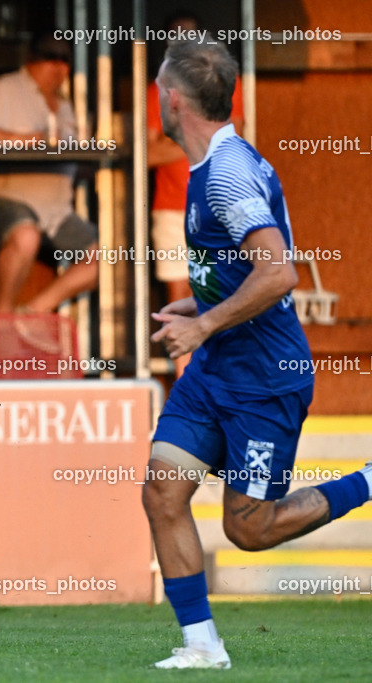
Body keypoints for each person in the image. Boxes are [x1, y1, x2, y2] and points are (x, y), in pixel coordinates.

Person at [145, 39, 372, 669]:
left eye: (156, 89)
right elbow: (245, 269)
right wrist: (203, 305)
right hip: (221, 362)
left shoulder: (226, 174)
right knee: (163, 492)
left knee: (248, 528)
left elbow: (278, 272)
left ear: (171, 99)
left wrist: (206, 320)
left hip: (265, 375)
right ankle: (201, 645)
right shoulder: (214, 165)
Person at [0, 35, 98, 314]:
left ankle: (30, 314)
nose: (58, 65)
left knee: (113, 254)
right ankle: (2, 319)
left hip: (58, 209)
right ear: (30, 59)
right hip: (11, 198)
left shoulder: (67, 105)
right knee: (26, 236)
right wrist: (19, 139)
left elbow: (76, 163)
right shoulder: (7, 88)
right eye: (49, 56)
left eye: (65, 58)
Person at [148, 11, 244, 376]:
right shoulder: (154, 92)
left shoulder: (227, 85)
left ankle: (224, 383)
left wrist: (179, 137)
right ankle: (188, 388)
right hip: (173, 208)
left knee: (228, 293)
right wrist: (201, 136)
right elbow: (148, 154)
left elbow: (233, 137)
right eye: (176, 38)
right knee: (177, 303)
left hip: (222, 205)